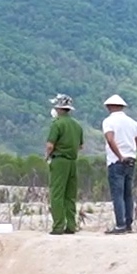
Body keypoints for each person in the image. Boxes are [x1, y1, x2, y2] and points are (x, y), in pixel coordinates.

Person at [101, 94, 137, 233]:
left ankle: (120, 224)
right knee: (128, 193)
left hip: (116, 160)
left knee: (117, 194)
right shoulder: (133, 123)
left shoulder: (108, 122)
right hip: (131, 159)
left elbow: (110, 139)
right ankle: (129, 224)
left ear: (110, 106)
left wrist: (119, 155)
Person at [44, 94, 84, 235]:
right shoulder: (77, 126)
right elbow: (80, 146)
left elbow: (50, 145)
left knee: (57, 193)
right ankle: (71, 225)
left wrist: (47, 156)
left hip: (59, 160)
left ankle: (58, 226)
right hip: (73, 162)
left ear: (59, 108)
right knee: (70, 195)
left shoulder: (57, 124)